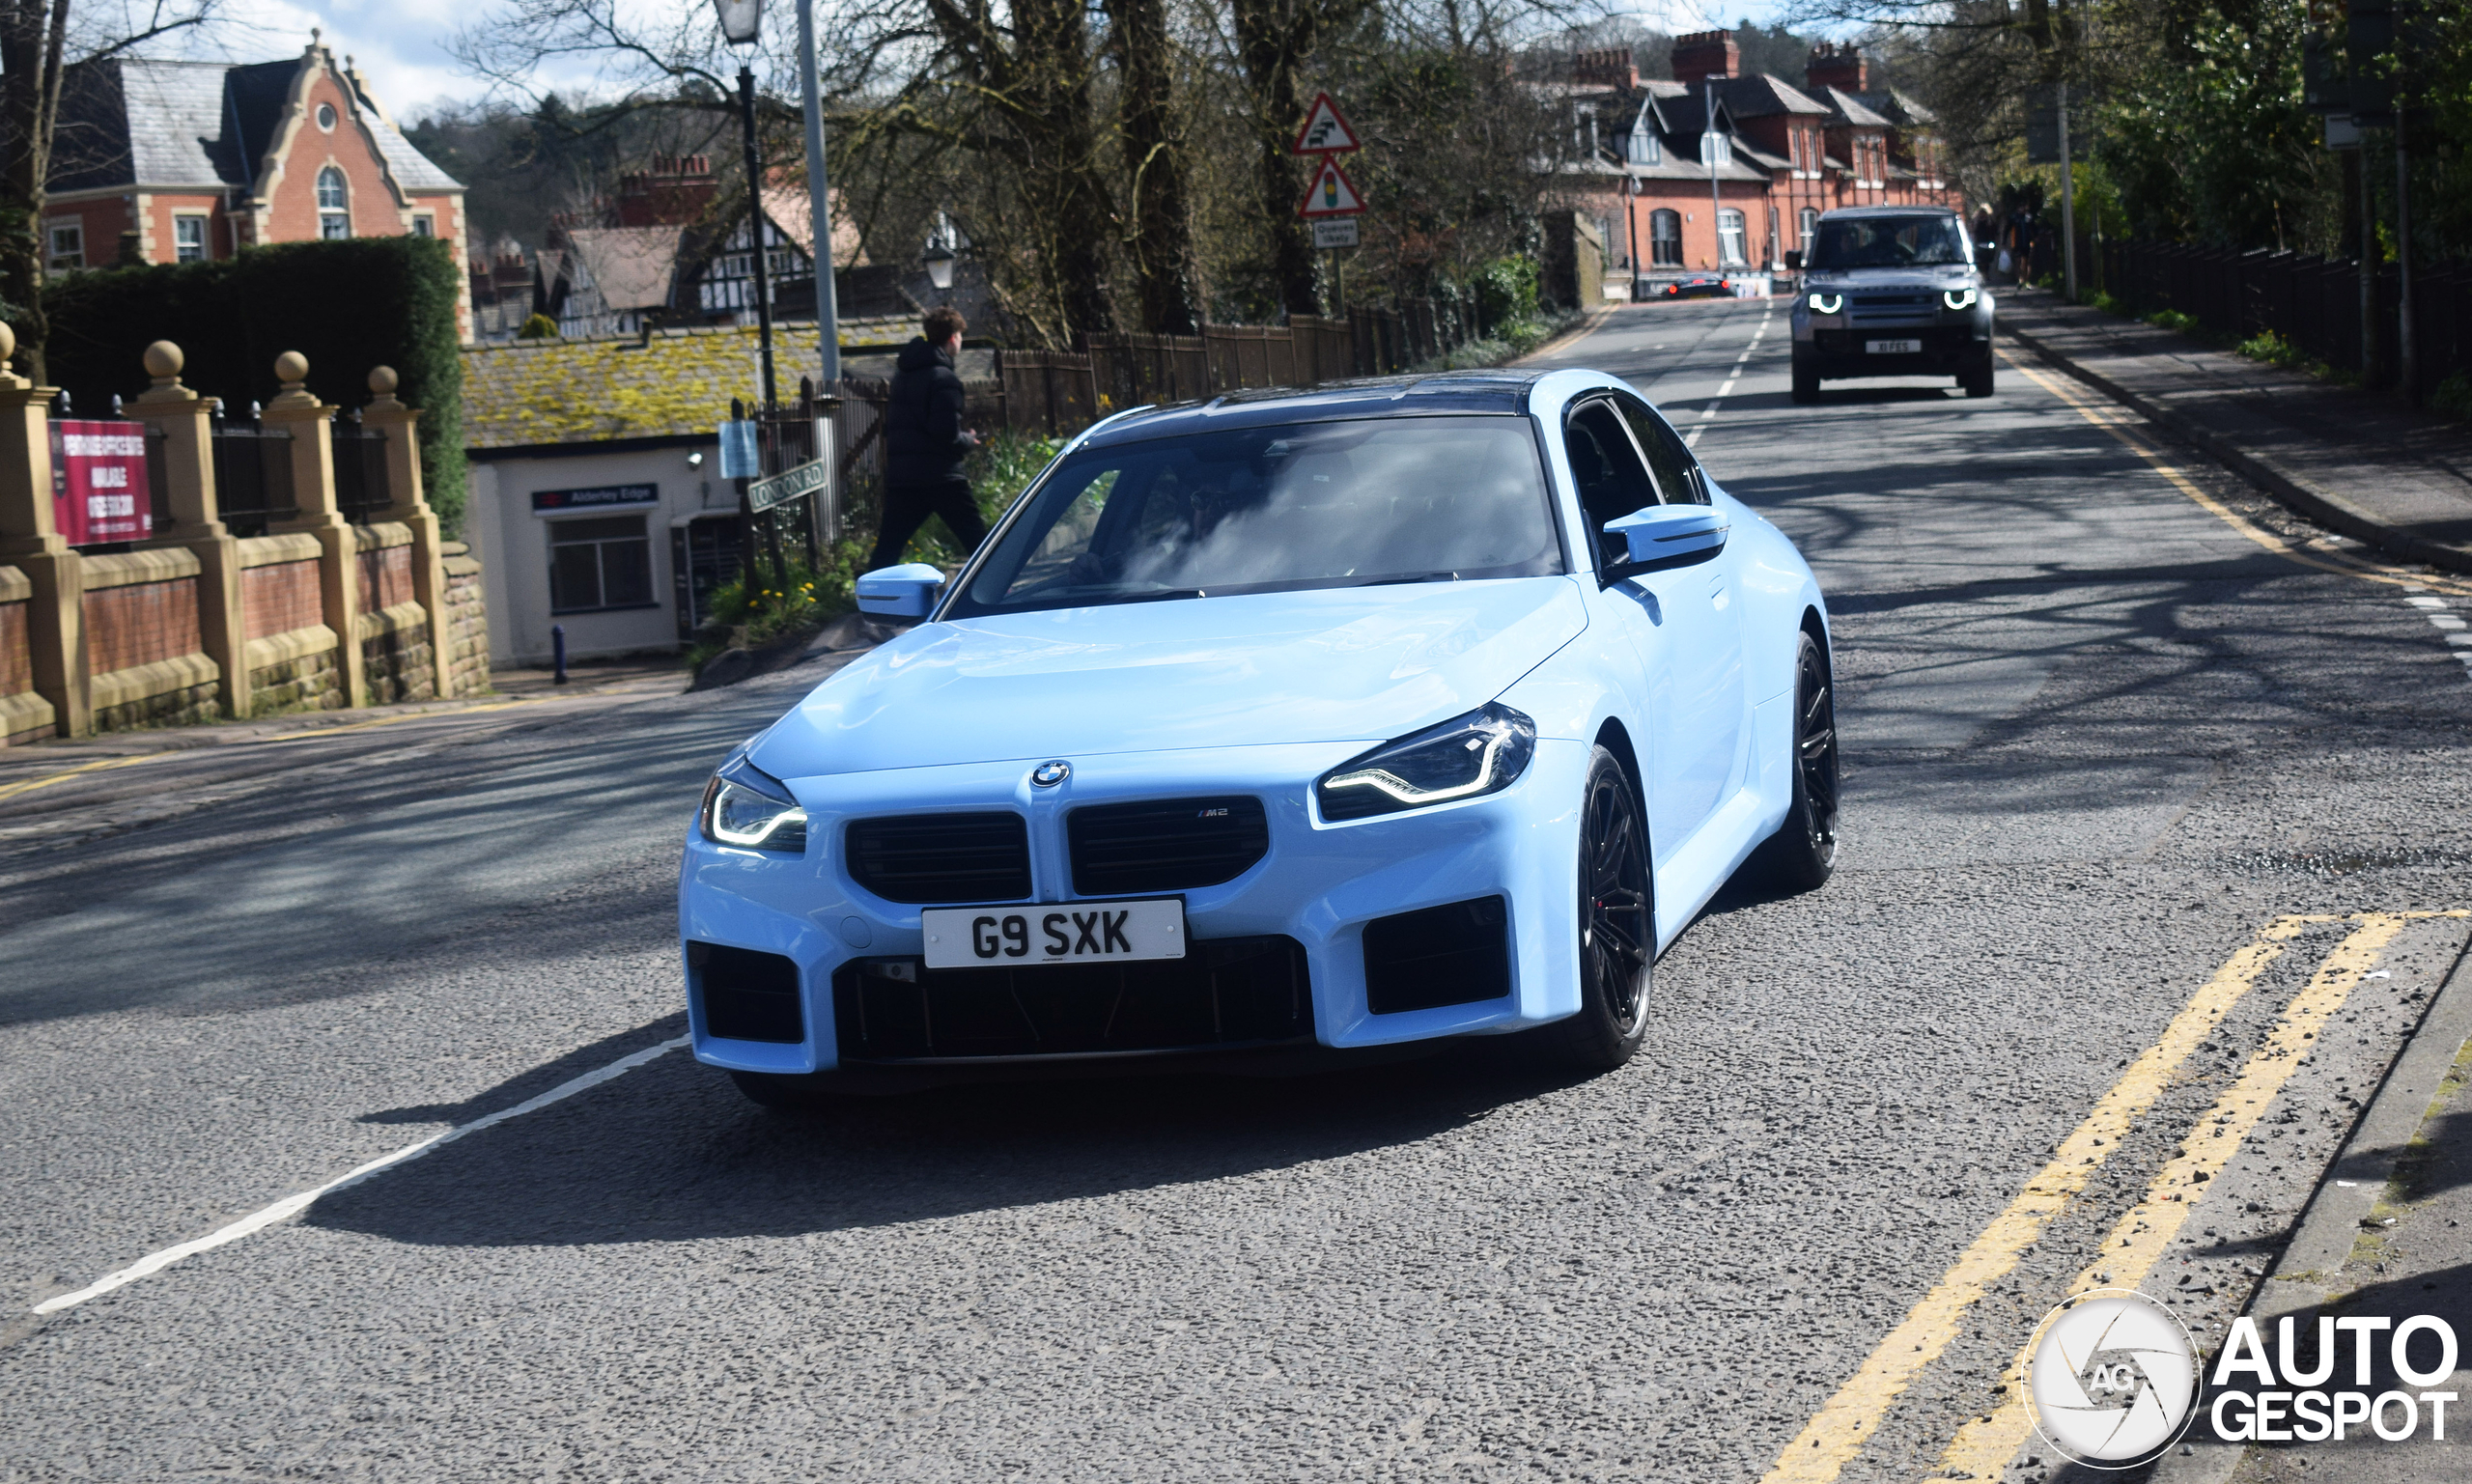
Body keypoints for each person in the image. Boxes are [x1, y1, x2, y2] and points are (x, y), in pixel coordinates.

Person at [871, 306, 989, 573]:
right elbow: (945, 432)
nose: (960, 340)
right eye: (960, 334)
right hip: (942, 475)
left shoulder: (903, 376)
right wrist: (968, 441)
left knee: (888, 546)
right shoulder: (944, 379)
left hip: (904, 476)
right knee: (978, 542)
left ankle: (871, 596)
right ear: (952, 338)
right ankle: (995, 591)